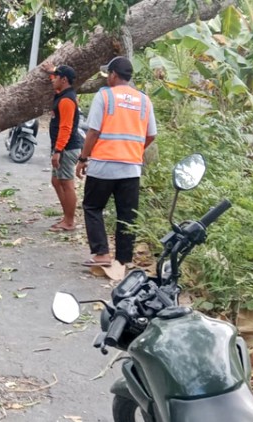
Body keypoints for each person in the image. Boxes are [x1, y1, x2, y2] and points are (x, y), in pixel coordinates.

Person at [76, 56, 157, 267]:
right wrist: (135, 149)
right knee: (127, 216)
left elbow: (93, 131)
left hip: (104, 165)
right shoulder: (144, 100)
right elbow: (151, 135)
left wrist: (83, 158)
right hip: (131, 168)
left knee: (93, 207)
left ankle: (101, 254)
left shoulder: (105, 96)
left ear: (113, 75)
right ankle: (124, 260)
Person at [47, 65, 84, 232]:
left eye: (56, 77)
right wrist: (51, 71)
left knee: (66, 183)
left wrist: (58, 151)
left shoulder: (67, 100)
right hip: (61, 147)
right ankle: (66, 216)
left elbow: (66, 128)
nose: (53, 80)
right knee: (56, 181)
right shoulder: (62, 94)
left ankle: (69, 221)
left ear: (64, 80)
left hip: (67, 148)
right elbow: (55, 84)